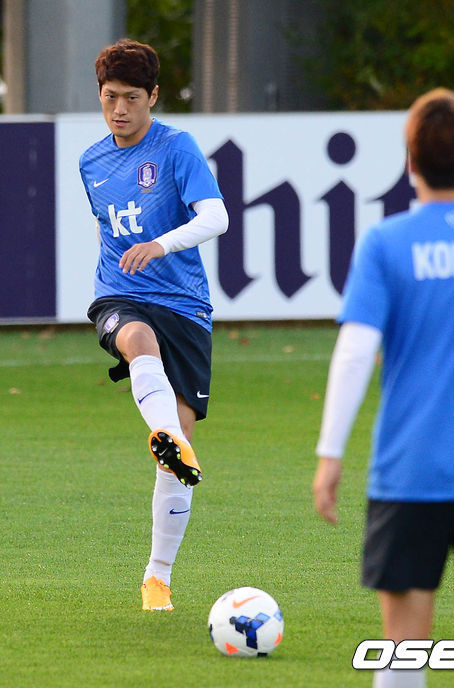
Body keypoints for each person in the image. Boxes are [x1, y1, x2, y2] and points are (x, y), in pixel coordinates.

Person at [313, 88, 454, 687]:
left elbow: (355, 352)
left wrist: (330, 454)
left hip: (410, 470)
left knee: (404, 646)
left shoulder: (386, 244)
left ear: (410, 161)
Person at [80, 39, 228, 612]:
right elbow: (108, 229)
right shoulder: (91, 161)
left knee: (177, 462)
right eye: (110, 97)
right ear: (101, 94)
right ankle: (166, 435)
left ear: (154, 97)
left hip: (185, 306)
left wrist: (160, 245)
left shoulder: (175, 147)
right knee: (135, 338)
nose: (119, 109)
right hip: (120, 294)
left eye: (132, 98)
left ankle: (157, 576)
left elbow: (216, 217)